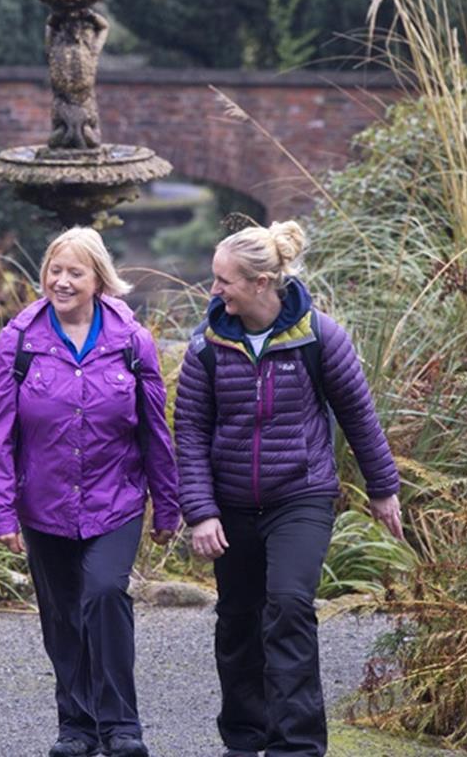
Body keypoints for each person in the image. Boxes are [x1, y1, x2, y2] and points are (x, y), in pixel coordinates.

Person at [173, 221, 403, 757]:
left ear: (260, 283)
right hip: (231, 502)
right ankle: (244, 739)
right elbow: (190, 431)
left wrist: (383, 487)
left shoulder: (319, 336)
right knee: (238, 619)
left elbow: (359, 415)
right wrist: (201, 512)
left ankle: (296, 746)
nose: (214, 290)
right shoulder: (207, 345)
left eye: (223, 280)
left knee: (289, 606)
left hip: (301, 495)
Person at [0, 227, 181, 757]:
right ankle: (77, 726)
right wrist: (0, 512)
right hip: (43, 504)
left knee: (104, 594)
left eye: (75, 272)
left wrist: (168, 506)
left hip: (115, 499)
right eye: (55, 270)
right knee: (61, 612)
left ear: (99, 280)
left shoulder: (131, 341)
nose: (62, 281)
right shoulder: (19, 340)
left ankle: (121, 726)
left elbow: (154, 430)